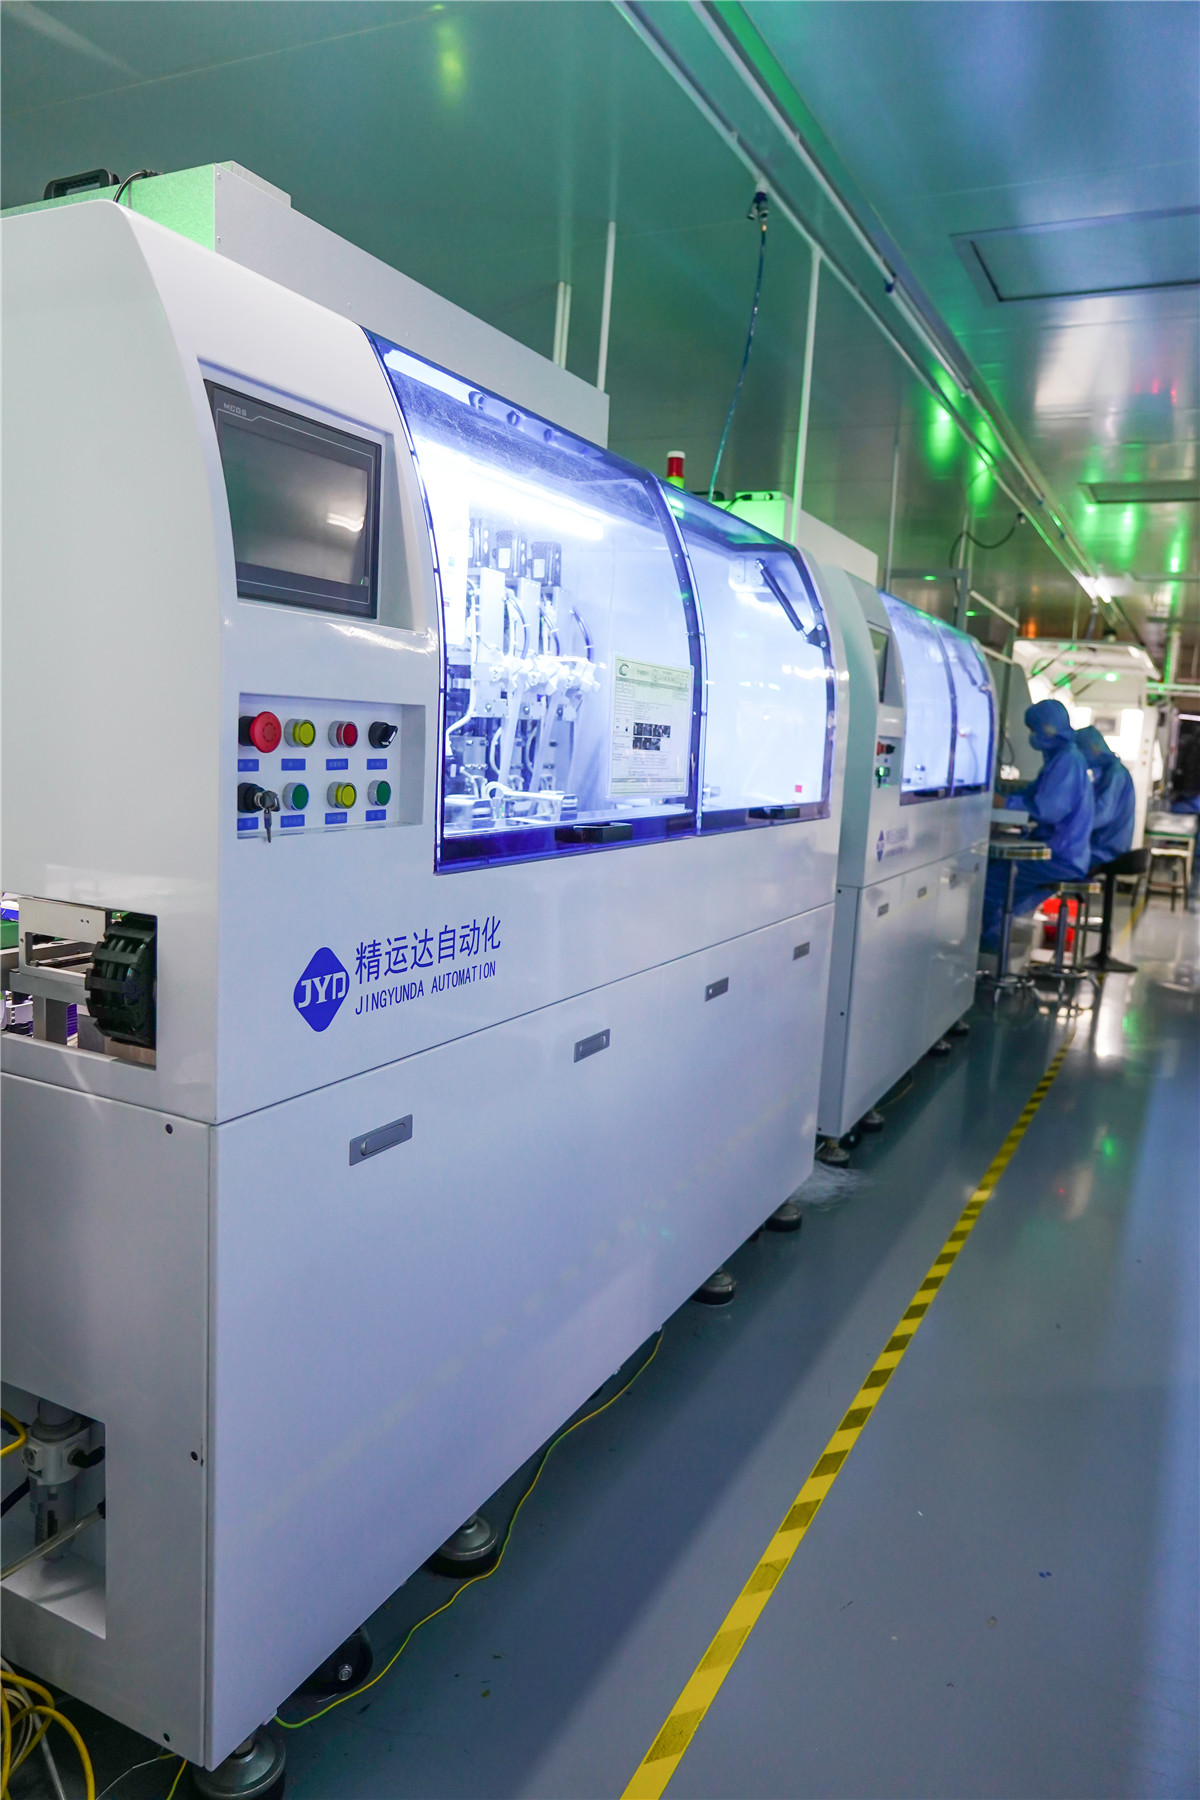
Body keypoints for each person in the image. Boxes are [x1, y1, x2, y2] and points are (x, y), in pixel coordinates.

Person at [981, 698, 1094, 949]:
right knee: (1000, 881)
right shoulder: (1061, 759)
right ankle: (993, 950)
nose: (1031, 736)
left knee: (989, 885)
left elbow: (1048, 810)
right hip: (1067, 853)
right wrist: (1006, 797)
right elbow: (1032, 795)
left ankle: (988, 955)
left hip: (1059, 856)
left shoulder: (1066, 761)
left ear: (1047, 728)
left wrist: (1004, 803)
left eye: (1033, 729)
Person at [1075, 724, 1135, 866]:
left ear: (1094, 748)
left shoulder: (1115, 774)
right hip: (1102, 846)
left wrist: (1071, 825)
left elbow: (1102, 815)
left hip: (1106, 851)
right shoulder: (1105, 774)